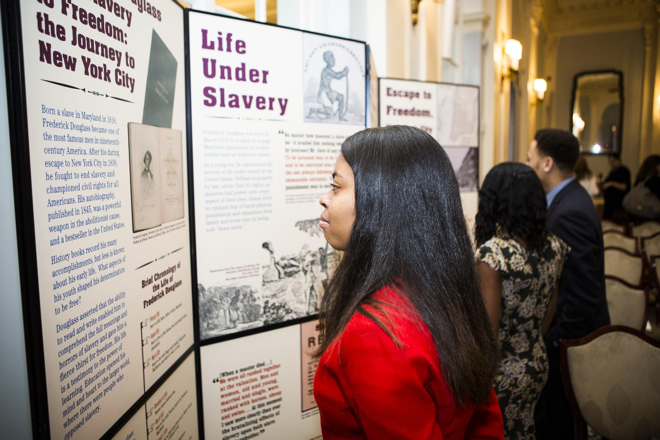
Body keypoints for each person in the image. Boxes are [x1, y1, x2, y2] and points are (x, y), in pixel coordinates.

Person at [313, 126, 504, 440]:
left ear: (382, 202)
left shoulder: (376, 333)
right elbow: (486, 421)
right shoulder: (444, 294)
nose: (324, 198)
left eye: (336, 186)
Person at [475, 163, 570, 439]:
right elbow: (548, 314)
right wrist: (524, 344)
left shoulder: (493, 254)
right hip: (536, 363)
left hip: (500, 374)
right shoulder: (554, 246)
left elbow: (488, 332)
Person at [527, 129, 609, 440]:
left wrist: (555, 342)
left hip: (570, 346)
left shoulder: (570, 210)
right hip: (564, 340)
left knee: (560, 424)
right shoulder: (566, 200)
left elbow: (582, 295)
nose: (528, 165)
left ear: (547, 164)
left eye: (530, 159)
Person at [308, 51, 348, 121]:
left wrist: (343, 72)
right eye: (332, 59)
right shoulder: (326, 71)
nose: (334, 60)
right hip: (324, 93)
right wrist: (344, 72)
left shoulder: (328, 70)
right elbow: (337, 76)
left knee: (341, 98)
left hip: (329, 92)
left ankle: (340, 116)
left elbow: (336, 74)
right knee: (330, 114)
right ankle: (314, 110)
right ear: (328, 60)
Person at [602, 152, 630, 220]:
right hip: (609, 204)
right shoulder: (612, 172)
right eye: (610, 162)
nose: (612, 164)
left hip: (618, 204)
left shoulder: (624, 171)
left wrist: (612, 184)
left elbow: (625, 187)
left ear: (619, 160)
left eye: (614, 161)